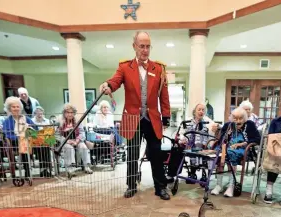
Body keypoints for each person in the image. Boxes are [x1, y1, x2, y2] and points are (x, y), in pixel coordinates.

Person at [99, 31, 171, 200]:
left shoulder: (159, 68)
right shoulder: (125, 67)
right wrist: (108, 85)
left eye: (148, 46)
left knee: (156, 154)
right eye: (142, 46)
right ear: (134, 46)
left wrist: (166, 116)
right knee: (132, 153)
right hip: (132, 119)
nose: (145, 50)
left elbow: (164, 95)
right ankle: (131, 185)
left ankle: (160, 187)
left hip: (152, 118)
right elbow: (115, 81)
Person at [211, 107, 260, 197]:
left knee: (231, 154)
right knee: (218, 154)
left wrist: (242, 144)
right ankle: (219, 185)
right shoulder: (228, 125)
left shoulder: (250, 125)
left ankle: (231, 185)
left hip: (243, 149)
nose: (238, 121)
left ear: (245, 118)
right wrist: (224, 142)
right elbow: (221, 139)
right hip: (227, 147)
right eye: (235, 118)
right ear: (231, 118)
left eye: (240, 118)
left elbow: (257, 139)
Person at [166, 103, 209, 184]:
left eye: (203, 110)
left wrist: (204, 144)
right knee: (176, 149)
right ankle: (171, 174)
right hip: (187, 145)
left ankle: (193, 173)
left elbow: (209, 136)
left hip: (200, 147)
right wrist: (183, 139)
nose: (201, 111)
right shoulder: (187, 122)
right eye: (199, 109)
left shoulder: (206, 124)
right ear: (194, 112)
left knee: (200, 150)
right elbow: (181, 134)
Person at [2, 97, 35, 182]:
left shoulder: (26, 118)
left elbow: (35, 128)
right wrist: (20, 136)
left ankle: (45, 170)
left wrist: (29, 132)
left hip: (29, 140)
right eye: (13, 107)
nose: (16, 108)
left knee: (45, 142)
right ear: (9, 109)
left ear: (20, 108)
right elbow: (7, 135)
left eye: (17, 107)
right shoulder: (7, 121)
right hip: (15, 143)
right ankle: (28, 173)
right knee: (23, 144)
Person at [55, 104, 93, 177]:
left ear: (74, 113)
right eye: (68, 112)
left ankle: (87, 166)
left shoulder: (77, 121)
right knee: (69, 148)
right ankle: (70, 169)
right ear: (64, 113)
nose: (70, 114)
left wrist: (77, 141)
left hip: (76, 140)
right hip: (65, 141)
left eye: (72, 112)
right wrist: (67, 141)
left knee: (83, 147)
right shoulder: (60, 121)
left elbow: (82, 132)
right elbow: (57, 135)